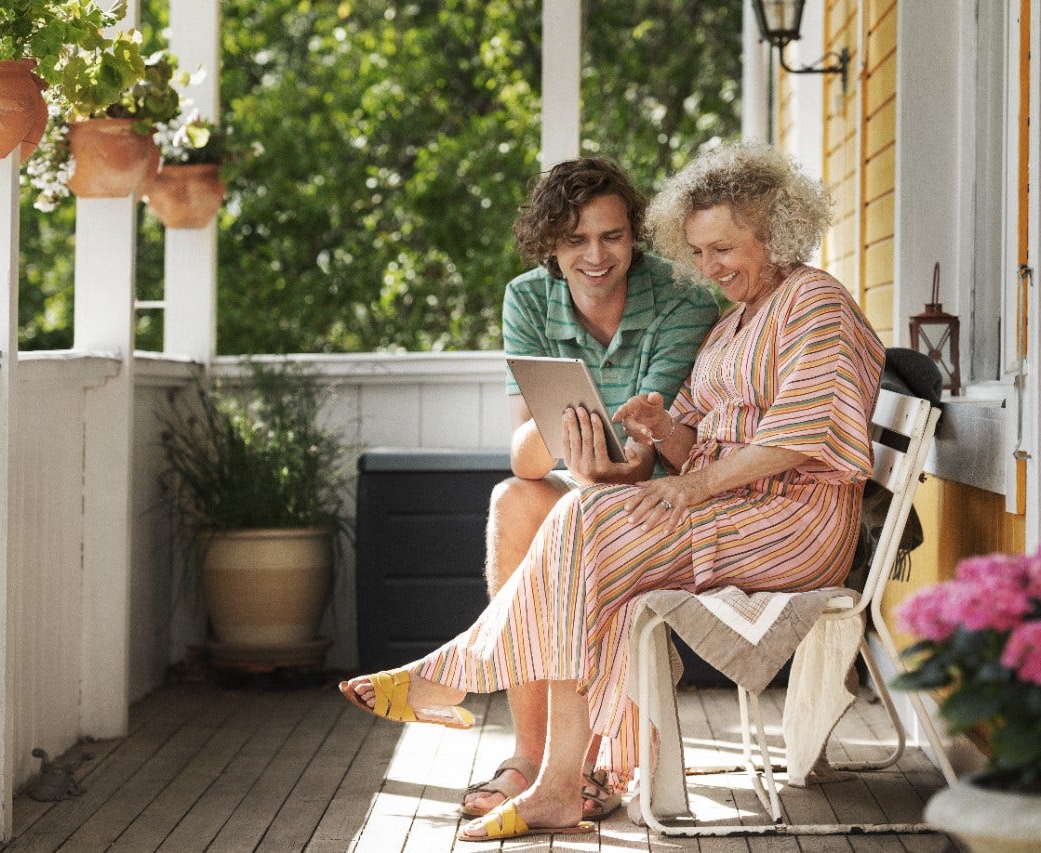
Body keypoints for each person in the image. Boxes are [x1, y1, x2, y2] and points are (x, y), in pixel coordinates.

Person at [340, 142, 885, 842]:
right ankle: (558, 784)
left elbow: (799, 439)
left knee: (587, 522)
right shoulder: (739, 316)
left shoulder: (815, 302)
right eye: (697, 252)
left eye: (722, 249)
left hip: (795, 520)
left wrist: (694, 486)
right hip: (737, 508)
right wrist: (668, 430)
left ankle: (456, 676)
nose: (709, 268)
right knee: (586, 536)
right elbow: (706, 441)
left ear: (775, 231)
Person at [464, 157, 719, 821]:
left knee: (582, 508)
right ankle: (529, 753)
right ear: (551, 244)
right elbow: (525, 454)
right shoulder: (527, 298)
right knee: (513, 502)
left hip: (668, 505)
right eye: (575, 239)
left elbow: (647, 453)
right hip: (589, 491)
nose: (595, 255)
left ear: (635, 234)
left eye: (611, 235)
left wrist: (589, 453)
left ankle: (597, 758)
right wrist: (571, 446)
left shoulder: (684, 299)